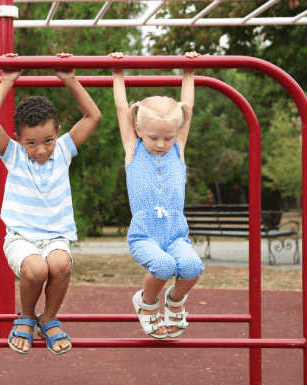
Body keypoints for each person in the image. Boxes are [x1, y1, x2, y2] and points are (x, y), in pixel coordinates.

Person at [0, 53, 101, 355]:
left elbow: (93, 116)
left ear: (57, 132)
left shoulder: (64, 150)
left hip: (55, 236)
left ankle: (48, 318)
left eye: (47, 140)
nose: (41, 150)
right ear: (19, 139)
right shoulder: (14, 155)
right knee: (35, 270)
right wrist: (7, 80)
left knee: (59, 266)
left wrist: (70, 79)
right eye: (32, 143)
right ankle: (26, 316)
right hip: (21, 237)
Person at [110, 51, 205, 339]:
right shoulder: (133, 149)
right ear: (138, 129)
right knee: (163, 265)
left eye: (167, 137)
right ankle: (147, 303)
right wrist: (117, 73)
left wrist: (188, 73)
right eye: (154, 138)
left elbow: (187, 106)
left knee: (192, 267)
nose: (162, 144)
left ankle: (175, 301)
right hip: (144, 235)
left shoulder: (178, 148)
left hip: (176, 234)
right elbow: (120, 107)